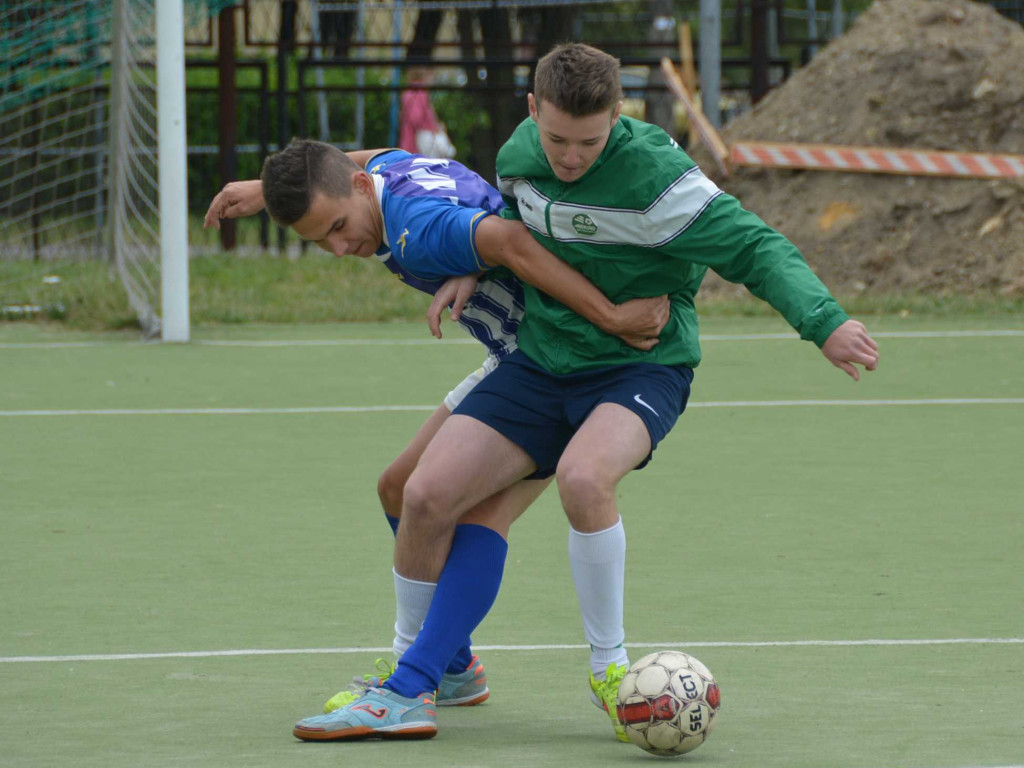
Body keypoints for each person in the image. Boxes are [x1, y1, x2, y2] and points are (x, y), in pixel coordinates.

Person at [299, 42, 879, 743]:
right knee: (421, 495)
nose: (570, 157)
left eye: (589, 142)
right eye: (557, 140)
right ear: (533, 111)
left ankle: (610, 669)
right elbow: (488, 215)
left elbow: (755, 248)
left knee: (582, 478)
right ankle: (421, 678)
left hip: (642, 365)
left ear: (618, 118)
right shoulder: (521, 156)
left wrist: (825, 322)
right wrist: (470, 270)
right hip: (542, 362)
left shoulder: (661, 181)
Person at [203, 138, 669, 719]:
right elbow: (371, 156)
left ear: (355, 191)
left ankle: (415, 674)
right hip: (515, 357)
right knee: (399, 487)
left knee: (462, 506)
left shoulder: (415, 229)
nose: (340, 247)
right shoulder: (379, 175)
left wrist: (607, 315)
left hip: (557, 360)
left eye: (340, 228)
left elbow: (509, 242)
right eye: (320, 240)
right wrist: (266, 188)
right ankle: (451, 667)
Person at [398, 67, 455, 159]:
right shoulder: (420, 91)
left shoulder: (408, 92)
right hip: (418, 144)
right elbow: (416, 117)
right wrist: (433, 127)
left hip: (409, 141)